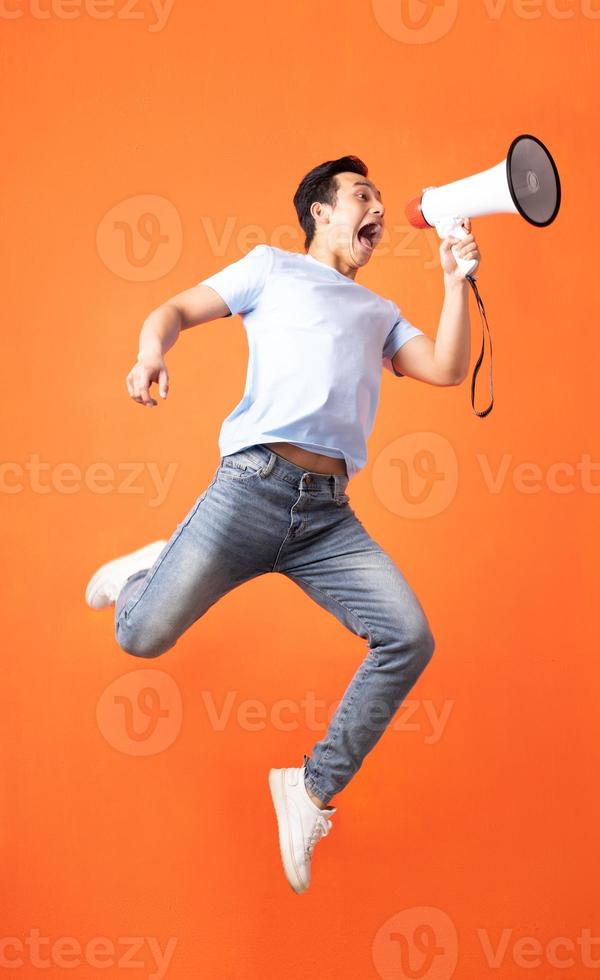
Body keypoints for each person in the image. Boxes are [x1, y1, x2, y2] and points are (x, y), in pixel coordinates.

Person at [85, 154, 480, 894]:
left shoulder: (380, 313)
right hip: (251, 489)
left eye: (379, 201)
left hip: (327, 520)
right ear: (320, 213)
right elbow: (171, 310)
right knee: (138, 635)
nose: (377, 211)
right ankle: (157, 563)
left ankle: (309, 787)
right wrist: (149, 355)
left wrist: (456, 281)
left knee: (409, 636)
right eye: (362, 196)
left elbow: (449, 368)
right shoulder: (269, 268)